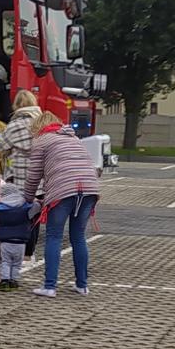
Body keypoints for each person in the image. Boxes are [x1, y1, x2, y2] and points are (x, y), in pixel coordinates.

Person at [24, 116, 101, 297]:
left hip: (63, 190)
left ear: (38, 127)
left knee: (54, 236)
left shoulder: (41, 141)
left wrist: (27, 199)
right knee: (78, 237)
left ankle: (50, 286)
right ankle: (82, 285)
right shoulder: (73, 138)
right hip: (89, 189)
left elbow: (34, 175)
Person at [0, 180, 33, 291]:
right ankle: (14, 281)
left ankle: (5, 281)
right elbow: (36, 208)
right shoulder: (25, 207)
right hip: (21, 241)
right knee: (17, 263)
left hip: (6, 241)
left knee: (5, 261)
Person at [0, 89, 44, 186]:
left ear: (16, 105)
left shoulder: (12, 126)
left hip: (20, 181)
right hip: (41, 181)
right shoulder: (44, 124)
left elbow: (1, 148)